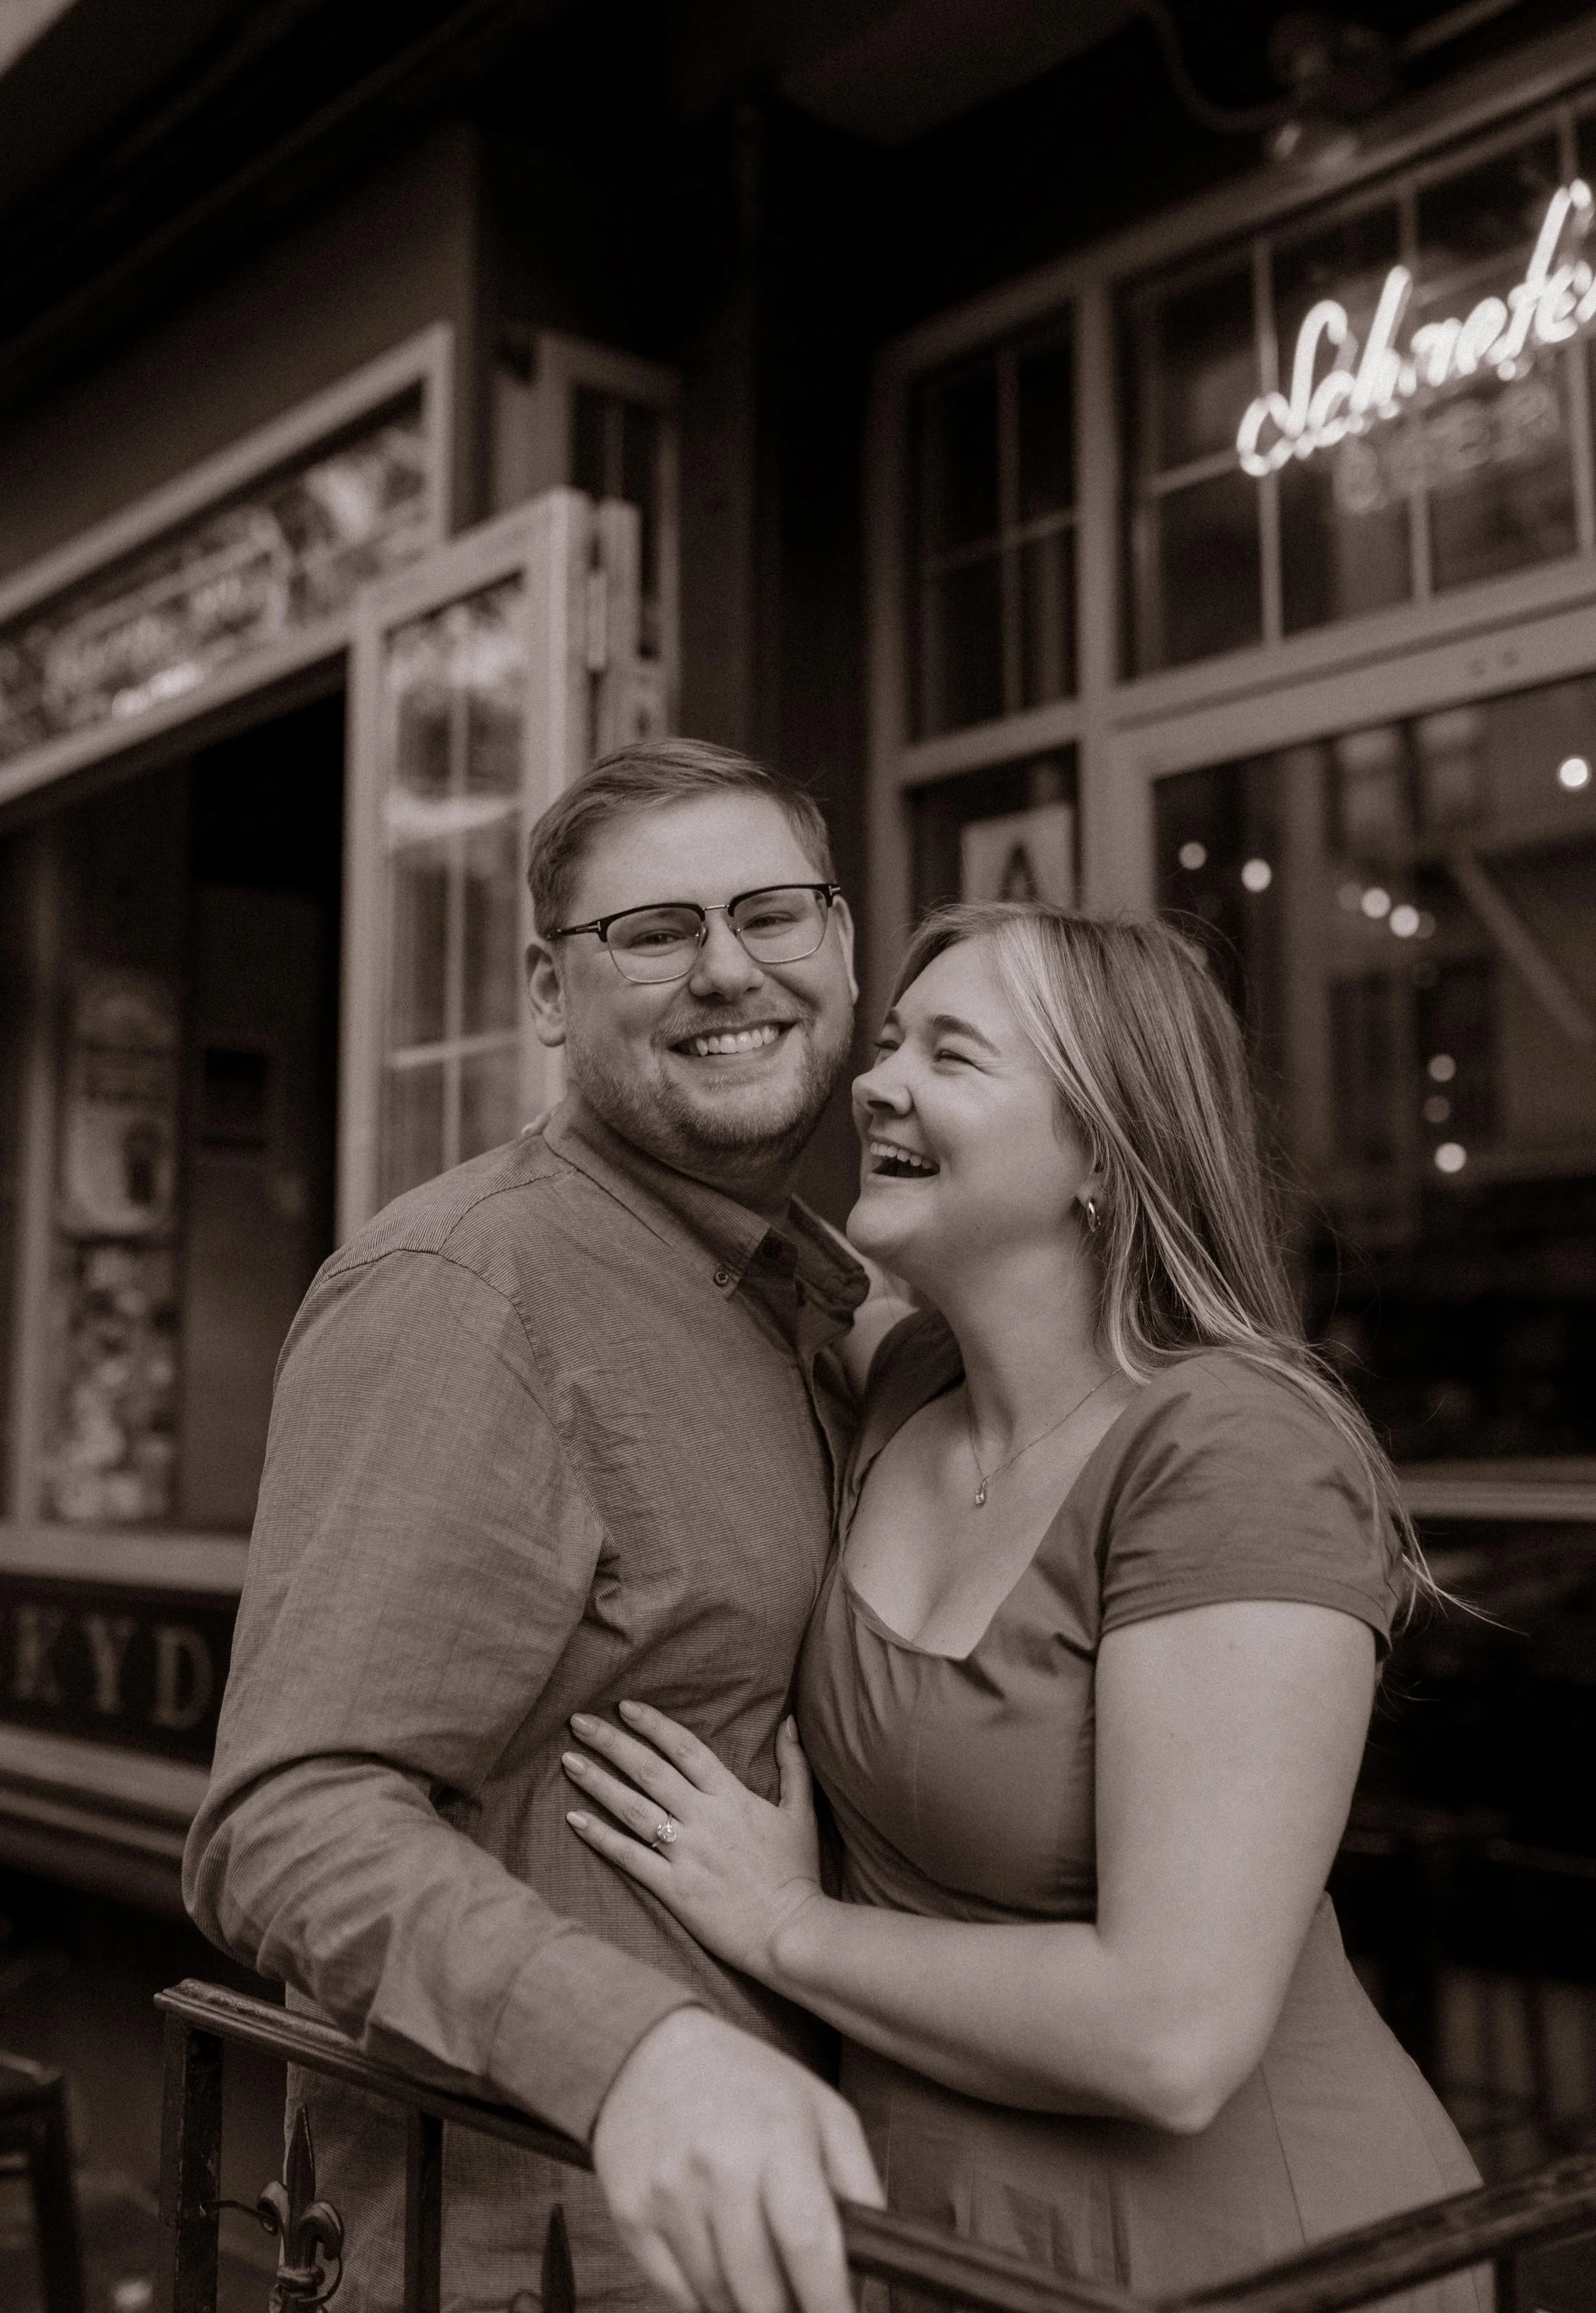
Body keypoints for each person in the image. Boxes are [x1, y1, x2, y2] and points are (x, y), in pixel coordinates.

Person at [559, 901, 1487, 2311]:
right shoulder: (911, 1382)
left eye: (952, 1054)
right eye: (885, 1042)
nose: (875, 1082)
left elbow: (1170, 2036)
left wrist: (780, 1926)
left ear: (1102, 1158)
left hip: (1254, 2260)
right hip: (946, 2242)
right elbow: (711, 1209)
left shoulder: (1230, 1452)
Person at [184, 738, 889, 2313]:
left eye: (772, 914)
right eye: (652, 933)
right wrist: (629, 2049)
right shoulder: (469, 1292)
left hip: (798, 2225)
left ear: (842, 948)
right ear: (549, 993)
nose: (728, 970)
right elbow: (285, 1824)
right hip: (544, 2248)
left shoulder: (809, 1287)